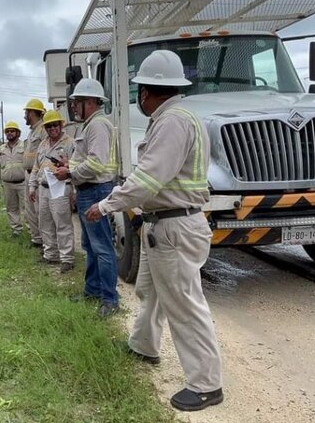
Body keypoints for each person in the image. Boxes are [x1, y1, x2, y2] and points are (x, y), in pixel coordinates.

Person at [85, 50, 223, 412]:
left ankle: (206, 384)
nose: (139, 99)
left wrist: (105, 205)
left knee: (184, 306)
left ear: (146, 92)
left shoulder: (172, 122)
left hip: (174, 226)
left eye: (139, 93)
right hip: (163, 225)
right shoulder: (179, 117)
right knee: (150, 291)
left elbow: (146, 181)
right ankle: (143, 345)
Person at [52, 78, 118, 318]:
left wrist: (70, 172)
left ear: (89, 102)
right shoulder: (90, 125)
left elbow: (97, 163)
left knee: (102, 247)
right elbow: (89, 160)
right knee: (90, 246)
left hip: (96, 190)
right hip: (88, 190)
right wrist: (70, 165)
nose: (73, 107)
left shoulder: (98, 125)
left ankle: (110, 299)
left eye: (77, 102)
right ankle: (93, 291)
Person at [28, 111, 75, 273]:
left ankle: (67, 258)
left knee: (62, 223)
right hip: (43, 188)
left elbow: (76, 167)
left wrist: (73, 192)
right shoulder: (42, 145)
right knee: (45, 222)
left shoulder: (70, 143)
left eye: (55, 125)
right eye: (49, 126)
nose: (52, 128)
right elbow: (35, 167)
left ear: (61, 125)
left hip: (61, 187)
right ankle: (51, 254)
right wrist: (32, 186)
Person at [22, 99, 46, 248]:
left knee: (40, 210)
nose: (25, 116)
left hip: (37, 175)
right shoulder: (32, 131)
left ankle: (46, 241)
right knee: (30, 209)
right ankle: (37, 239)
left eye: (26, 113)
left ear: (32, 113)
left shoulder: (43, 130)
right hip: (28, 174)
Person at [0, 121, 26, 238]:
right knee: (11, 208)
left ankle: (31, 230)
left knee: (27, 208)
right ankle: (16, 230)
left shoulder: (24, 146)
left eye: (12, 131)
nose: (10, 133)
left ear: (18, 133)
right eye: (7, 131)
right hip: (7, 184)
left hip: (23, 183)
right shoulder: (1, 149)